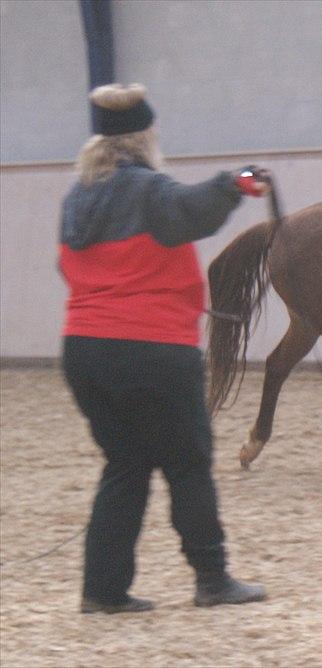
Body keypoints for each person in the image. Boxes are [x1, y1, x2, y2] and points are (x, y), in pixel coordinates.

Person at [59, 83, 269, 613]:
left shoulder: (76, 200)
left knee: (124, 464)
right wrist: (236, 183)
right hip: (151, 349)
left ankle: (102, 591)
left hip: (84, 349)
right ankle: (213, 579)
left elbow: (65, 268)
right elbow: (194, 209)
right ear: (143, 138)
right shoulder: (149, 190)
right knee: (187, 463)